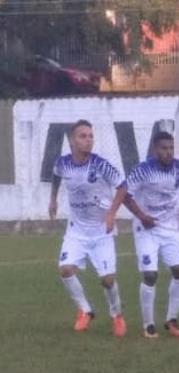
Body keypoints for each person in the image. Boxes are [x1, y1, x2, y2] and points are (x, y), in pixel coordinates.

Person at [49, 119, 128, 337]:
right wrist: (53, 199)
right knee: (65, 270)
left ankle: (117, 315)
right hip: (76, 231)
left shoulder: (101, 165)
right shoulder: (63, 163)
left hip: (101, 232)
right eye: (83, 136)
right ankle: (85, 310)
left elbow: (122, 186)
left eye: (91, 136)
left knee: (108, 279)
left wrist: (111, 213)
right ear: (72, 141)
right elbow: (56, 175)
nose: (88, 140)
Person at [122, 132, 179, 339]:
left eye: (171, 148)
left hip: (170, 228)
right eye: (164, 148)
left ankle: (171, 319)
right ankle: (148, 324)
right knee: (150, 275)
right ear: (155, 150)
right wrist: (142, 216)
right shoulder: (143, 170)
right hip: (147, 229)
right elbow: (126, 195)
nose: (168, 152)